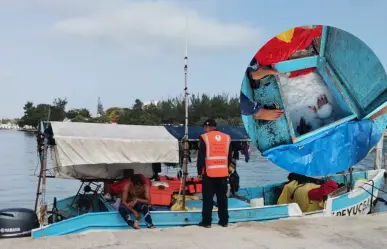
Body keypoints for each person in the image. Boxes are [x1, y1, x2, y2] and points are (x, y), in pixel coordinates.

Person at [197, 119, 233, 228]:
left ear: (208, 127)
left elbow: (201, 157)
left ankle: (207, 222)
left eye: (204, 127)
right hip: (223, 173)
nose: (204, 129)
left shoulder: (205, 137)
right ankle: (224, 221)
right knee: (222, 198)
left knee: (208, 199)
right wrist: (226, 169)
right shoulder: (227, 138)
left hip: (209, 174)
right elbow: (229, 157)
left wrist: (199, 171)